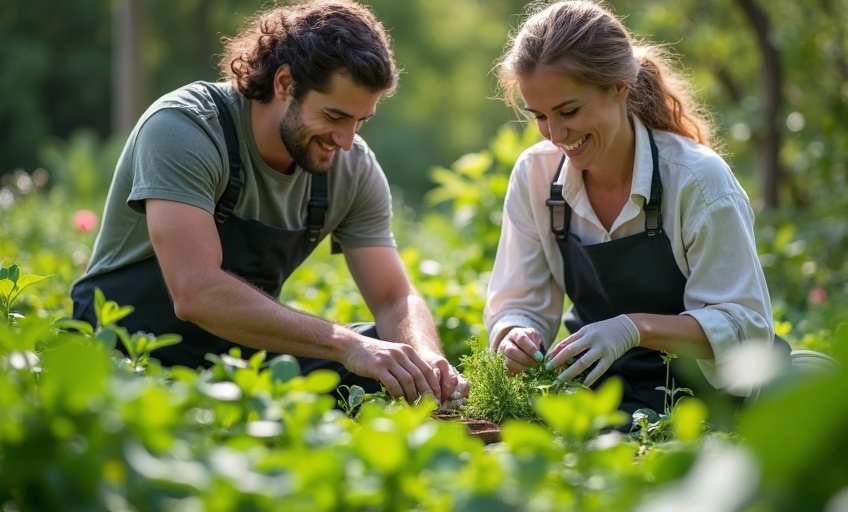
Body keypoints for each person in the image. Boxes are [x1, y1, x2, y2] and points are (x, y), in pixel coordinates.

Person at [71, 0, 467, 405]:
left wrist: (427, 359)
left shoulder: (353, 167)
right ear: (284, 84)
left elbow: (392, 297)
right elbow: (196, 291)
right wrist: (348, 345)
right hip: (122, 357)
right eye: (334, 116)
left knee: (394, 357)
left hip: (237, 365)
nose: (346, 140)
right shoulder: (184, 129)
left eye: (360, 121)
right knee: (363, 350)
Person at [484, 0, 785, 419]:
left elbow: (744, 326)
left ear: (619, 88)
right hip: (605, 397)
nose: (556, 134)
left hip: (713, 401)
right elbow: (518, 303)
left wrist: (633, 328)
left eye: (569, 111)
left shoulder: (697, 179)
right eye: (540, 116)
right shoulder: (536, 176)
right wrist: (513, 332)